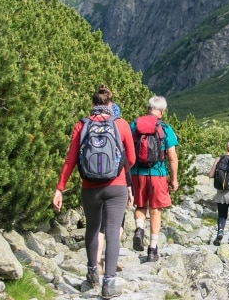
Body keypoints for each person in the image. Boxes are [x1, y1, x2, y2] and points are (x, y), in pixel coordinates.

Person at [53, 85, 135, 298]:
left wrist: (59, 188)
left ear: (92, 104)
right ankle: (109, 283)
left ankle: (91, 273)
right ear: (110, 104)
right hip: (116, 187)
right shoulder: (121, 124)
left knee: (92, 229)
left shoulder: (82, 125)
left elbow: (71, 159)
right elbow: (132, 159)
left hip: (90, 187)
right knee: (112, 232)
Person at [130, 96, 179, 262]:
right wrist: (174, 179)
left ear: (147, 108)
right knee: (156, 210)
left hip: (137, 173)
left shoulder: (135, 125)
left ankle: (139, 228)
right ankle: (152, 249)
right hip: (158, 173)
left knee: (141, 205)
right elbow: (172, 157)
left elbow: (126, 149)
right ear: (162, 111)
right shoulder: (165, 128)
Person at [97, 102, 129, 272]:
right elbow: (129, 160)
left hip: (92, 183)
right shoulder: (121, 128)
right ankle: (110, 263)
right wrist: (129, 188)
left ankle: (95, 264)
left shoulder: (88, 125)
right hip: (117, 184)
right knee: (116, 225)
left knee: (98, 225)